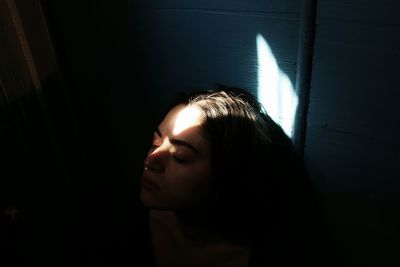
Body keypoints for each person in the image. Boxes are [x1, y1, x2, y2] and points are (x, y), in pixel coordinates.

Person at [137, 85, 331, 267]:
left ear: (227, 176)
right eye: (156, 142)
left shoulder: (274, 255)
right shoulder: (131, 214)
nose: (150, 161)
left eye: (181, 157)